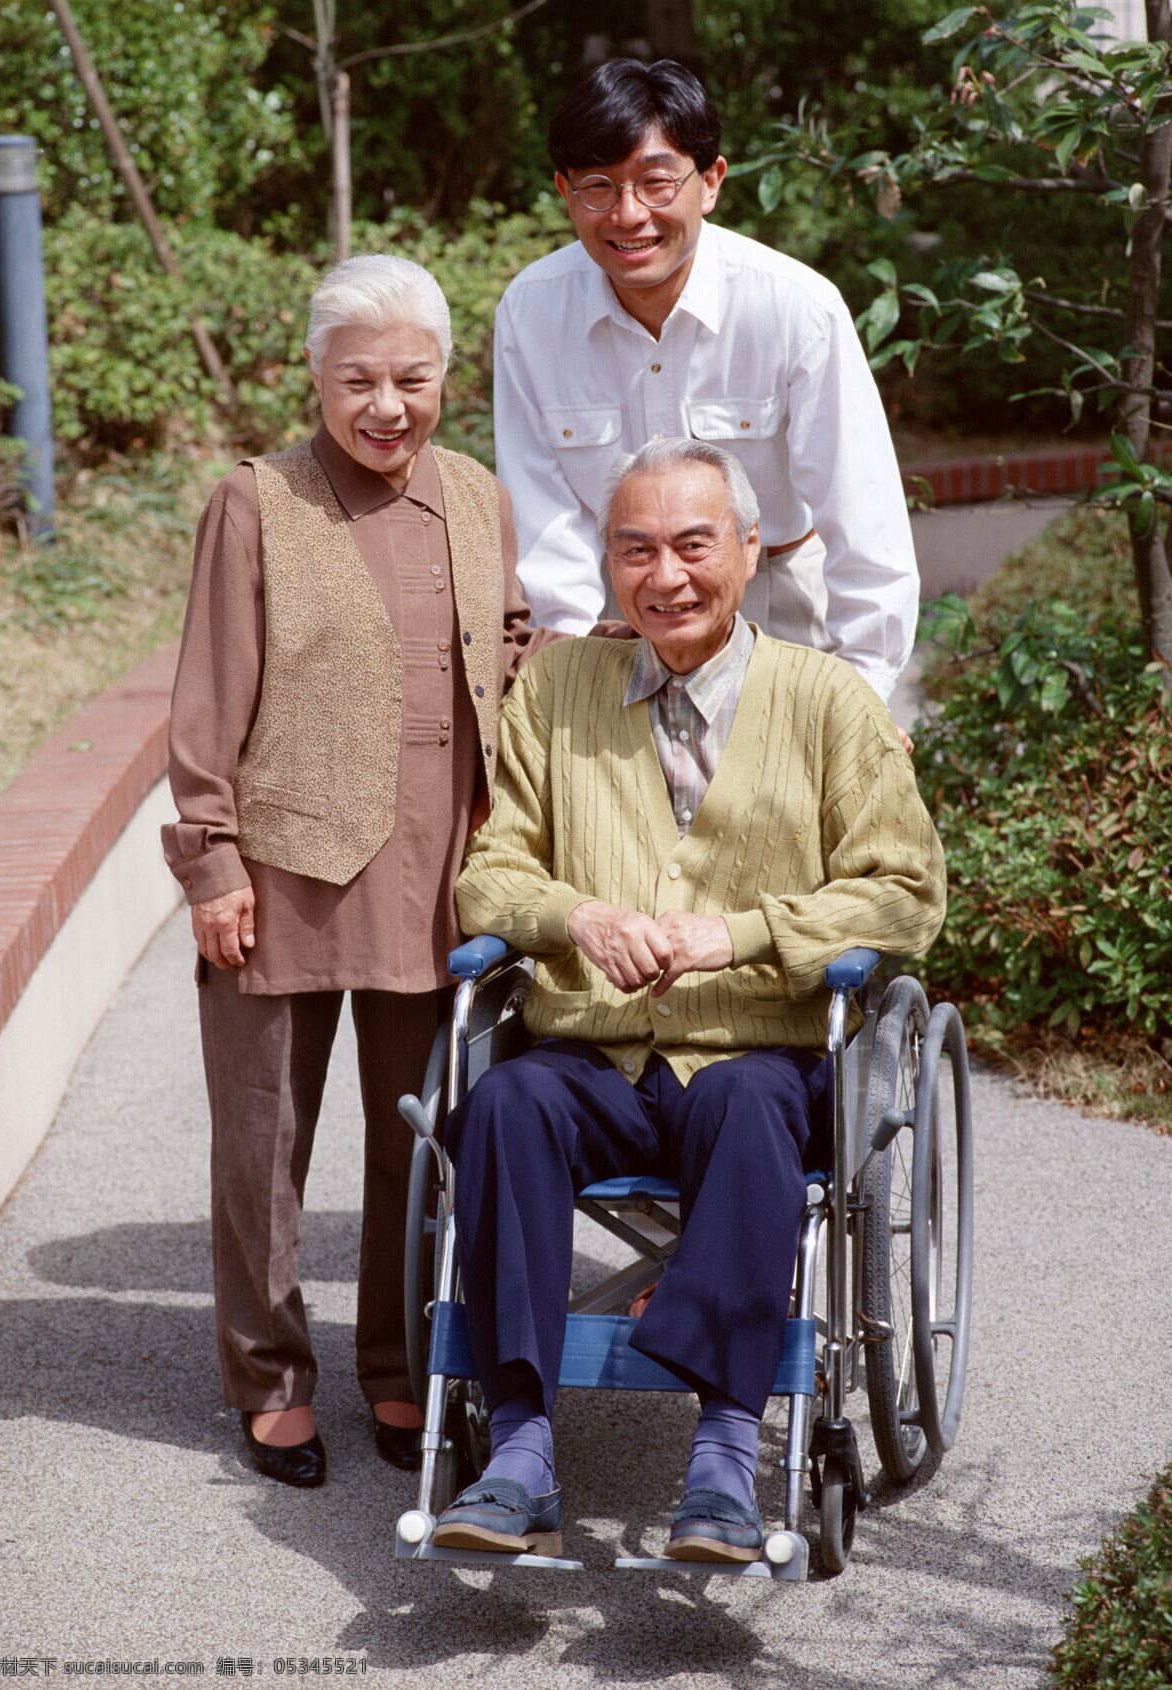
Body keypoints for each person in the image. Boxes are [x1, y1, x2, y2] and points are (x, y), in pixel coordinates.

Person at [431, 437, 945, 1561]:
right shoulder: (558, 689)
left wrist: (745, 934)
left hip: (757, 1050)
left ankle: (721, 1452)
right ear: (608, 562)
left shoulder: (826, 700)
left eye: (692, 545)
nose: (664, 575)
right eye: (636, 549)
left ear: (750, 549)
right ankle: (518, 1446)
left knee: (750, 1109)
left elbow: (906, 894)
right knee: (509, 1103)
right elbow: (492, 873)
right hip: (596, 1053)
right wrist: (580, 919)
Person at [162, 254, 560, 1488]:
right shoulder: (257, 501)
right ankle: (269, 1376)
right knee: (263, 1140)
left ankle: (397, 1366)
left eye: (413, 378)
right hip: (280, 869)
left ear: (448, 378)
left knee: (419, 1139)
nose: (386, 405)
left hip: (436, 870)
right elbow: (207, 693)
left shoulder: (479, 497)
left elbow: (503, 644)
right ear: (318, 381)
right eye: (359, 381)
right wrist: (211, 859)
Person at [493, 57, 918, 706]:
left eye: (657, 182)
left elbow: (864, 521)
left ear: (710, 182)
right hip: (619, 613)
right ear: (565, 192)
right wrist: (572, 689)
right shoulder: (531, 312)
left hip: (775, 600)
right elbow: (547, 525)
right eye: (598, 187)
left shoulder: (794, 307)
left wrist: (867, 693)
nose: (629, 215)